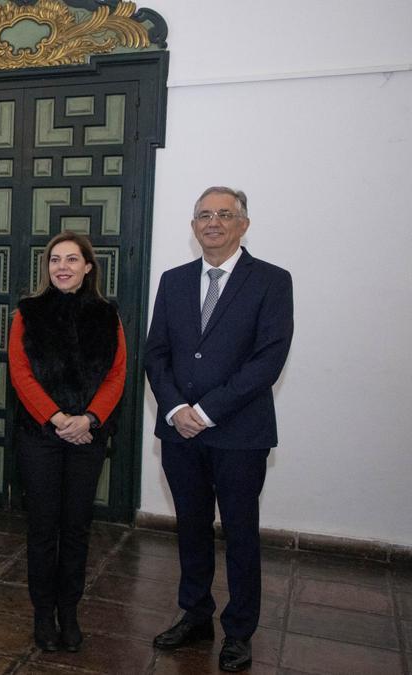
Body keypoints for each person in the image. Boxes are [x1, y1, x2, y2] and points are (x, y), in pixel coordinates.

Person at [145, 187, 293, 673]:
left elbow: (267, 360)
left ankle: (240, 631)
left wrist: (206, 411)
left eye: (224, 215)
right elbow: (157, 354)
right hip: (179, 433)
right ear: (193, 227)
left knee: (240, 533)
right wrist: (175, 409)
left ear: (243, 224)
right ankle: (195, 614)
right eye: (204, 215)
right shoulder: (173, 280)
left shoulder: (272, 281)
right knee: (189, 529)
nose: (213, 223)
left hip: (238, 435)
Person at [8, 231, 126, 654]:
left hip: (87, 437)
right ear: (48, 267)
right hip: (39, 436)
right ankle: (43, 614)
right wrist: (56, 417)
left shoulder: (107, 315)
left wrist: (89, 418)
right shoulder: (27, 314)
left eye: (72, 260)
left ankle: (69, 612)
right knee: (43, 528)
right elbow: (20, 373)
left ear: (88, 267)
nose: (63, 266)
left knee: (76, 528)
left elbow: (116, 375)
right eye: (55, 259)